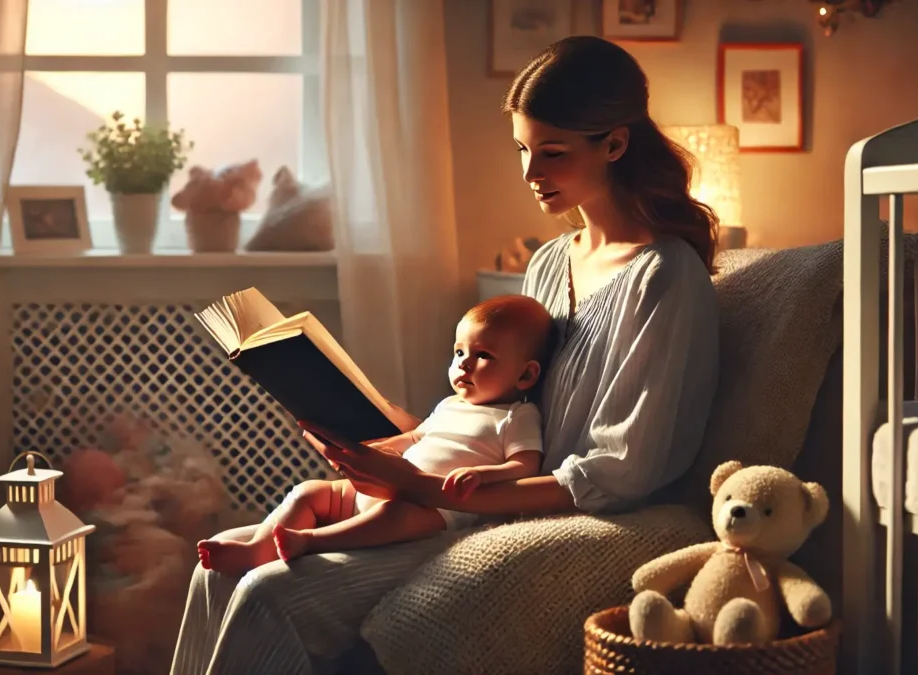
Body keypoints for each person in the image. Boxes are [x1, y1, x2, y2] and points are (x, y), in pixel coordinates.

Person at [171, 35, 720, 675]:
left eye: (552, 152)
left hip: (498, 510)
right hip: (455, 492)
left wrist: (430, 487)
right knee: (222, 561)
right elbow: (506, 406)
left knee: (268, 592)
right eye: (522, 149)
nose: (530, 172)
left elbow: (620, 469)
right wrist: (393, 432)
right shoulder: (547, 263)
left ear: (615, 145)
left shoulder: (665, 276)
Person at [195, 295, 554, 574]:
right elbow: (416, 437)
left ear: (525, 376)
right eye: (459, 352)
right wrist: (379, 448)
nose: (463, 363)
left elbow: (525, 465)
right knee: (310, 491)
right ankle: (258, 548)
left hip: (433, 508)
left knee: (396, 516)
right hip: (387, 487)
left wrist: (484, 475)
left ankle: (310, 541)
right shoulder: (449, 405)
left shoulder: (517, 415)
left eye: (483, 355)